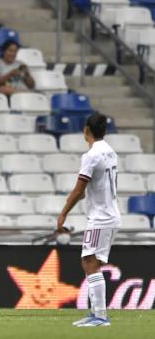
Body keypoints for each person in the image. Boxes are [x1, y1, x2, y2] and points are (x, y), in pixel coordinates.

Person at [57, 112, 120, 327]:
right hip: (111, 214)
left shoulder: (92, 155)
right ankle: (96, 313)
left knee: (88, 262)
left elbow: (79, 191)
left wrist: (63, 213)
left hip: (100, 217)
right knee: (94, 263)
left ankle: (101, 316)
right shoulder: (110, 152)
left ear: (86, 130)